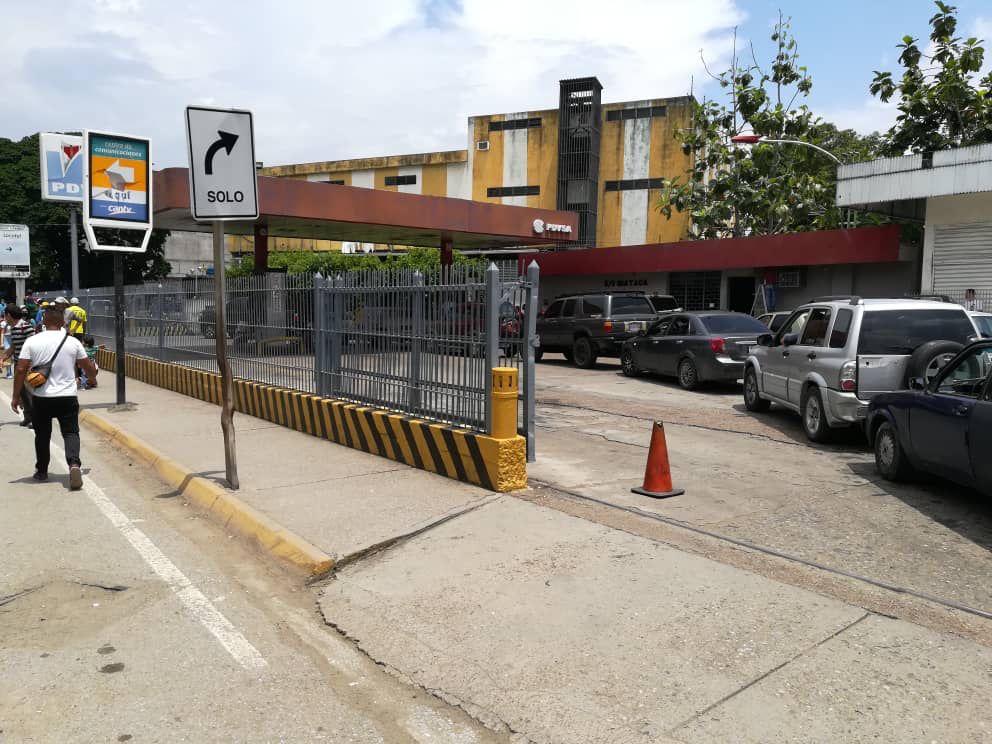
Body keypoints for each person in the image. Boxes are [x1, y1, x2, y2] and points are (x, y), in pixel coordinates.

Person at [12, 302, 97, 488]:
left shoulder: (33, 341)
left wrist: (16, 396)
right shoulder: (73, 342)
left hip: (41, 398)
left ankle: (42, 471)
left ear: (44, 320)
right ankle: (74, 463)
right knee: (70, 432)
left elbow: (20, 369)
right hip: (67, 397)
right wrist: (92, 379)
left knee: (42, 435)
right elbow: (88, 367)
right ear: (62, 323)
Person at [3, 305, 35, 425]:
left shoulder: (25, 327)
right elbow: (13, 347)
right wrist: (3, 358)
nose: (4, 318)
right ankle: (28, 416)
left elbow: (34, 346)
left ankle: (35, 418)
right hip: (18, 364)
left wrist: (31, 365)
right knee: (21, 391)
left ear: (9, 315)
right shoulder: (13, 328)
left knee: (29, 392)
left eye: (5, 315)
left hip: (28, 365)